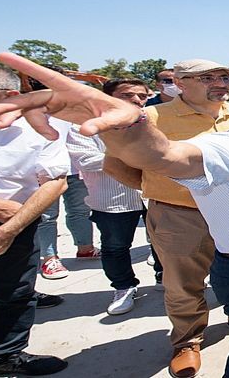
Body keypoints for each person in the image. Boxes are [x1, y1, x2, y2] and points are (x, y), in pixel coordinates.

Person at [0, 54, 229, 378]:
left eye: (224, 78)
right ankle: (188, 342)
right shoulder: (225, 142)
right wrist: (126, 127)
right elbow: (163, 155)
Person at [104, 59, 229, 378]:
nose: (220, 82)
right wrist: (157, 187)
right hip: (180, 216)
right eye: (207, 77)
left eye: (225, 76)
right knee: (182, 283)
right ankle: (187, 341)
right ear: (180, 83)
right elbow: (114, 164)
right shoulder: (152, 117)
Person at [0, 59, 70, 376]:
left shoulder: (40, 130)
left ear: (8, 94)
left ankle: (5, 358)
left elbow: (55, 181)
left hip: (11, 226)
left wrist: (7, 230)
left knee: (14, 295)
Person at [66, 78, 154, 316]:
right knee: (116, 247)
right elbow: (85, 159)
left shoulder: (153, 121)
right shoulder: (84, 126)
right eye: (127, 95)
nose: (136, 100)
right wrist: (133, 156)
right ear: (107, 97)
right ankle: (124, 287)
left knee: (162, 242)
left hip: (153, 195)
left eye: (142, 96)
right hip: (112, 200)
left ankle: (165, 279)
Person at [29, 67, 99, 280]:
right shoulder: (27, 107)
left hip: (74, 168)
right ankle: (49, 258)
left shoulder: (73, 105)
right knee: (47, 216)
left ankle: (85, 248)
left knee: (79, 211)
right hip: (43, 172)